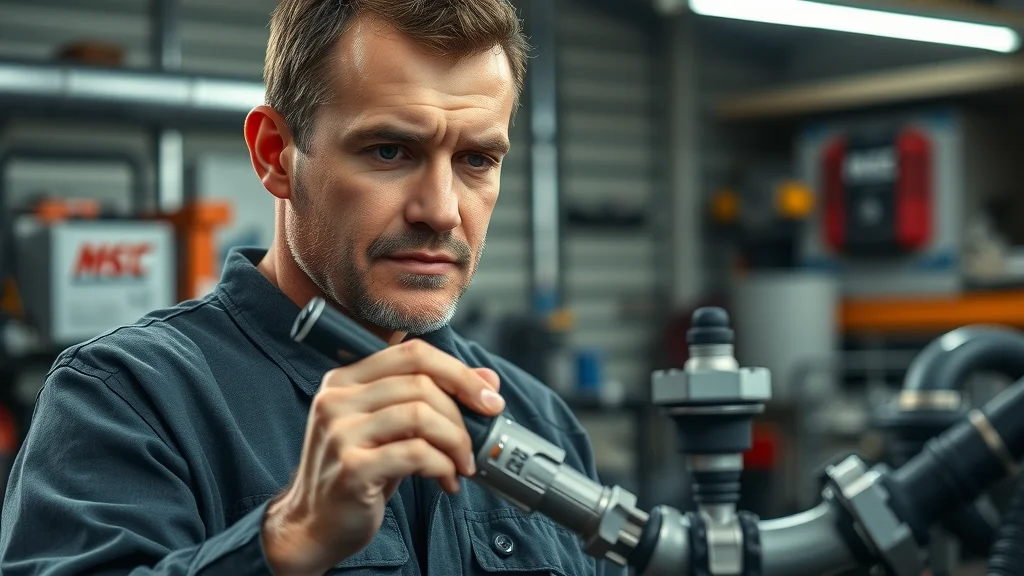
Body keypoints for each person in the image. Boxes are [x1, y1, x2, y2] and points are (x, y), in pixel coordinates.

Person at [0, 1, 628, 575]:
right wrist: (289, 537)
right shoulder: (126, 401)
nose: (441, 210)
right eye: (390, 151)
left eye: (477, 160)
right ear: (275, 153)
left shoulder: (540, 421)